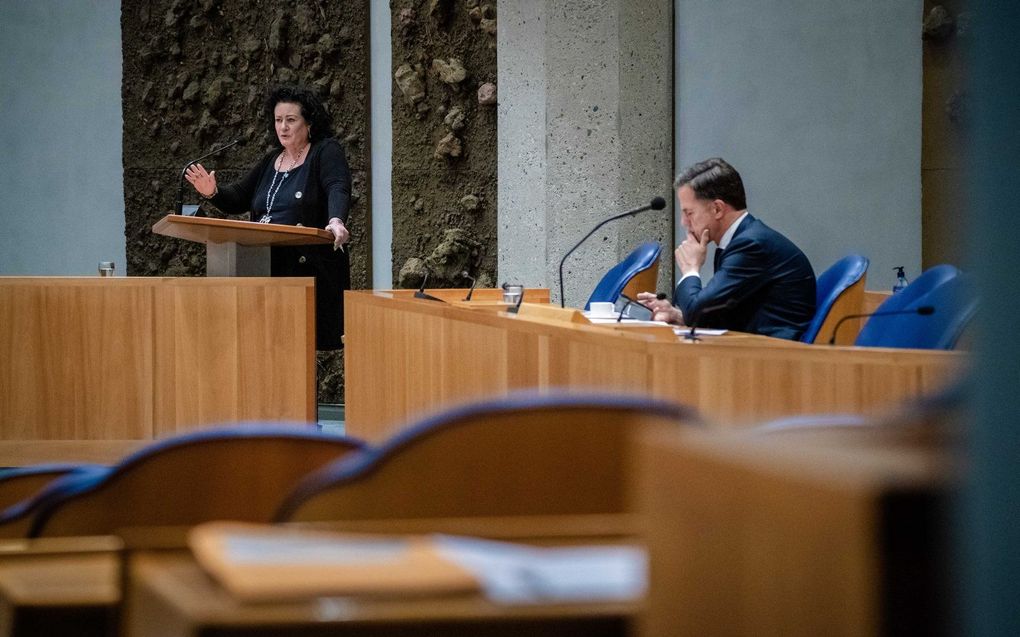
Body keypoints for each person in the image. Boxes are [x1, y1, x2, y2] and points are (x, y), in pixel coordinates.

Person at [185, 85, 352, 350]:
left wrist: (336, 220)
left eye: (290, 119)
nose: (283, 127)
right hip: (263, 263)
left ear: (309, 122)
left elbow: (337, 186)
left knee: (299, 343)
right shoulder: (272, 159)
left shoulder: (325, 150)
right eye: (278, 120)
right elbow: (239, 196)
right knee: (266, 343)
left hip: (305, 267)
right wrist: (213, 192)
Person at [638, 158, 816, 340]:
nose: (684, 223)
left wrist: (691, 270)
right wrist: (677, 315)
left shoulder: (751, 245)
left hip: (776, 356)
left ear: (717, 209)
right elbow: (715, 313)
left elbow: (697, 312)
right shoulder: (740, 239)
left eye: (689, 213)